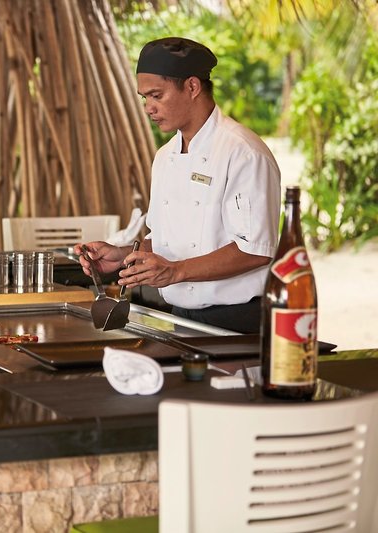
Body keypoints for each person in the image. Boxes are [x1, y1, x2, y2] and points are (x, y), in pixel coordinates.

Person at [75, 37, 281, 333]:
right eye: (144, 98)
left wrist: (175, 271)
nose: (148, 108)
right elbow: (165, 239)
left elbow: (256, 250)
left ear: (192, 87)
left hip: (238, 321)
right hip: (182, 316)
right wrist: (121, 255)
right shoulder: (165, 156)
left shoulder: (243, 152)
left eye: (156, 95)